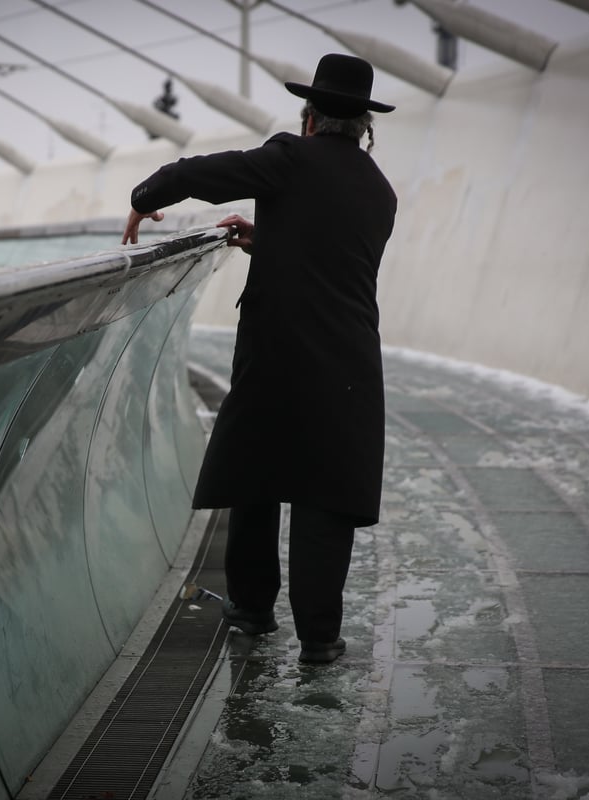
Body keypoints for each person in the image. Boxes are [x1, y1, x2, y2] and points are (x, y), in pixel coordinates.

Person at [122, 54, 397, 664]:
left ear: (310, 117)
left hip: (277, 355)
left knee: (257, 472)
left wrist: (145, 197)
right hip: (348, 363)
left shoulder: (289, 159)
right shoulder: (381, 190)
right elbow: (333, 256)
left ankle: (251, 609)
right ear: (364, 126)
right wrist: (269, 240)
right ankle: (320, 638)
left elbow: (203, 172)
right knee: (326, 497)